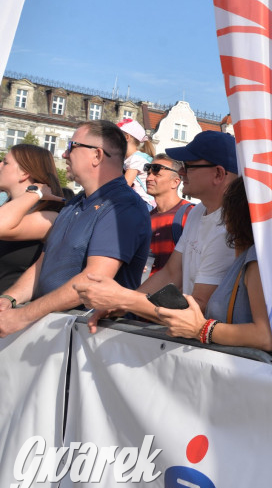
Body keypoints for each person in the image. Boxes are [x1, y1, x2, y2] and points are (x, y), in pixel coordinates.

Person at [0, 120, 151, 338]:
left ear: (97, 155)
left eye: (72, 147)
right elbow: (44, 262)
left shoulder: (123, 207)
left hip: (92, 341)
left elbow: (93, 279)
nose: (64, 154)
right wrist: (9, 298)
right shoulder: (75, 203)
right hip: (57, 334)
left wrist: (24, 316)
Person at [73, 131, 239, 327]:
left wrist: (123, 298)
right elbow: (171, 272)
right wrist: (122, 304)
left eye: (188, 166)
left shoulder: (229, 228)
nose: (182, 172)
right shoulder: (199, 211)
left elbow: (199, 307)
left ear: (218, 174)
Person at [154, 178, 272, 351]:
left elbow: (265, 336)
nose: (223, 216)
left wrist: (201, 329)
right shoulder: (246, 254)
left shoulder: (255, 260)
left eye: (227, 208)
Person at [0, 144, 66, 295]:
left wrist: (35, 193)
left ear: (24, 173)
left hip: (11, 308)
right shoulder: (8, 208)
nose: (0, 165)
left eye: (5, 162)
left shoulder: (48, 216)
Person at [144, 154, 193, 276]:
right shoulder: (146, 218)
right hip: (146, 290)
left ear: (175, 182)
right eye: (148, 173)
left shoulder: (190, 214)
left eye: (157, 174)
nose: (149, 178)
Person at [118, 118, 156, 209]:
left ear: (127, 137)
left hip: (143, 203)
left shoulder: (136, 159)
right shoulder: (131, 158)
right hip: (139, 202)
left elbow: (124, 186)